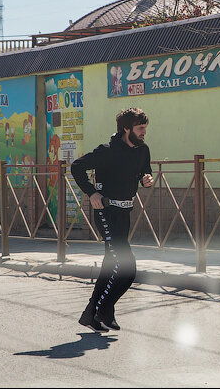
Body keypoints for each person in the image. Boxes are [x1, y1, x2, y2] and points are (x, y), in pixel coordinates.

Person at [71, 107, 154, 332]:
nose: (144, 132)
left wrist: (147, 179)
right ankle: (103, 309)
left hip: (125, 213)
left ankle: (93, 314)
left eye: (145, 128)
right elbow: (76, 167)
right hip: (106, 212)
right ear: (127, 129)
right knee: (127, 267)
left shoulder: (142, 150)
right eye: (140, 128)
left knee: (111, 265)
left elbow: (145, 172)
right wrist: (91, 192)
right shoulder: (107, 151)